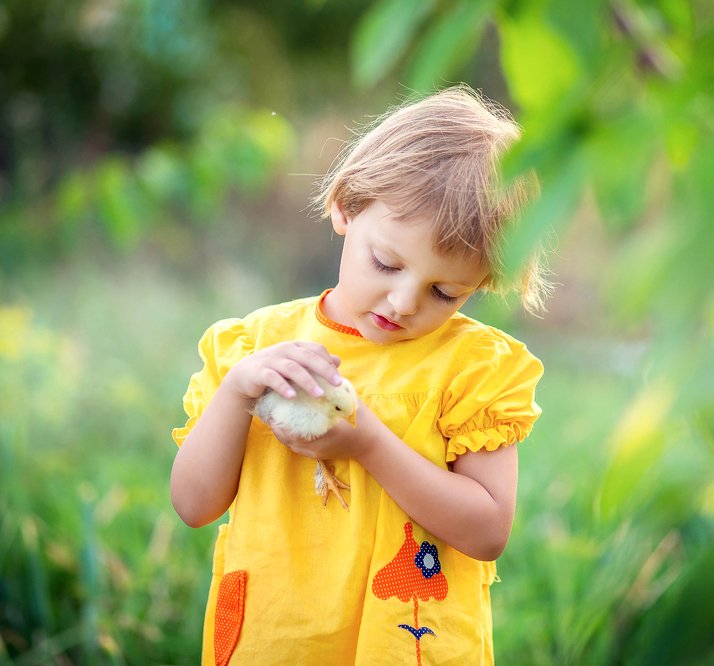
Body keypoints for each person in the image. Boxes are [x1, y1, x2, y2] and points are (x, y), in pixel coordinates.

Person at [169, 85, 549, 665]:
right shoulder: (256, 348)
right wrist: (238, 391)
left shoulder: (473, 369)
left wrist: (368, 442)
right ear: (346, 206)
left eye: (445, 292)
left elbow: (487, 530)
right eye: (387, 263)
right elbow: (194, 504)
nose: (402, 302)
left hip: (404, 646)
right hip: (275, 641)